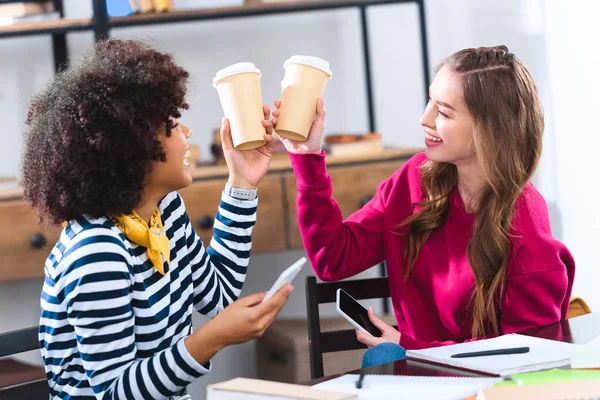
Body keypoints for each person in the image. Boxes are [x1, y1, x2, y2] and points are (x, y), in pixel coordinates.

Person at [22, 39, 289, 399]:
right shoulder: (97, 251)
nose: (187, 133)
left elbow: (219, 297)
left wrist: (242, 181)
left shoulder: (164, 213)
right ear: (131, 149)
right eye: (172, 125)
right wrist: (212, 338)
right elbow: (117, 393)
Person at [272, 45, 575, 360]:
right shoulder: (415, 179)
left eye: (443, 112)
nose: (424, 118)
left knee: (379, 359)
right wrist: (307, 157)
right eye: (430, 101)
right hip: (420, 375)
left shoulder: (526, 227)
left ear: (489, 129)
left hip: (489, 387)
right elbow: (332, 259)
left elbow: (526, 356)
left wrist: (409, 349)